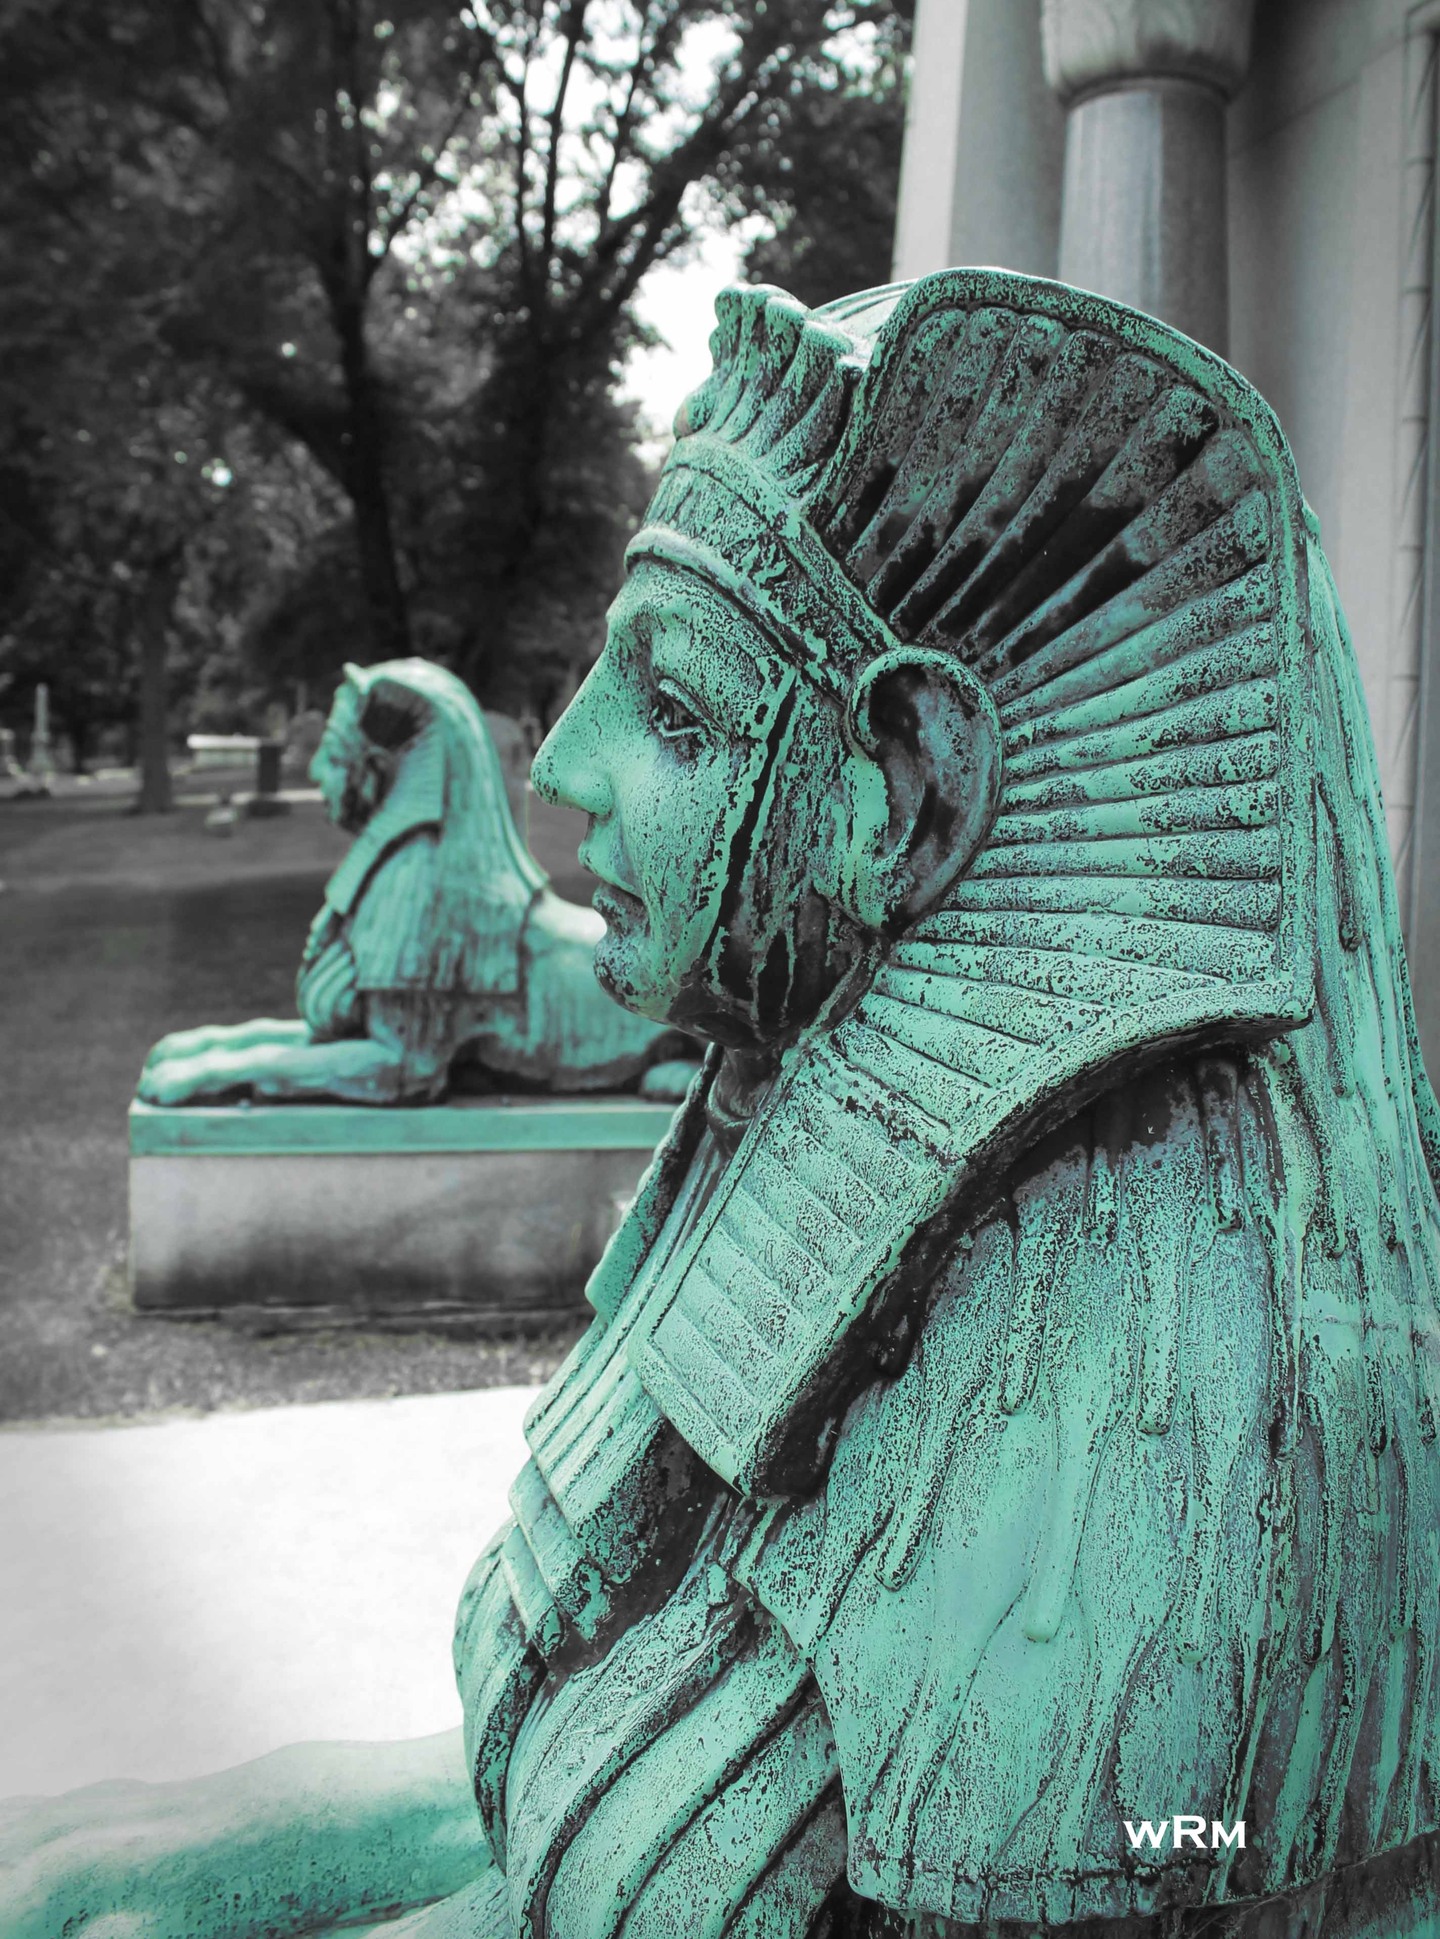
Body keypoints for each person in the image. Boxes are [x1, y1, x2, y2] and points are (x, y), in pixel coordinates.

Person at [8, 267, 1440, 1937]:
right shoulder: (792, 1077)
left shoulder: (1181, 1403)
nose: (565, 768)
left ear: (905, 794)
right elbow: (594, 1786)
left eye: (675, 709)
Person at [137, 659, 691, 1106]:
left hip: (664, 1022)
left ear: (378, 766)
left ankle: (694, 1053)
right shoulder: (406, 873)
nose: (317, 774)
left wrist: (233, 1071)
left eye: (335, 757)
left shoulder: (429, 891)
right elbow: (356, 1036)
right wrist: (225, 1047)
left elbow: (402, 1065)